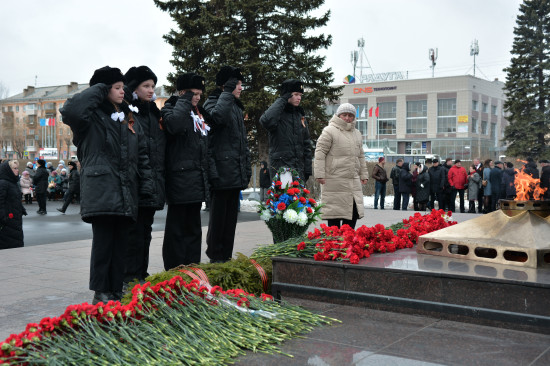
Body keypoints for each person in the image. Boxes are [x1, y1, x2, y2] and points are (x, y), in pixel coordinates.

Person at [60, 66, 153, 305]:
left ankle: (115, 288)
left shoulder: (127, 116)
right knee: (103, 244)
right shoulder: (89, 118)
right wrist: (100, 87)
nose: (124, 92)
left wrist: (145, 185)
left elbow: (141, 153)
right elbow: (70, 110)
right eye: (117, 87)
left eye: (123, 87)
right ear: (103, 90)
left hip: (125, 189)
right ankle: (100, 290)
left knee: (121, 243)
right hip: (101, 188)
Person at [117, 66, 167, 285]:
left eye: (153, 86)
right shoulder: (127, 111)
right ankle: (129, 276)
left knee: (145, 233)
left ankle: (141, 273)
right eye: (145, 85)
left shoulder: (154, 113)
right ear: (133, 88)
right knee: (132, 234)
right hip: (134, 183)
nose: (150, 90)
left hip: (151, 182)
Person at [161, 72, 209, 270]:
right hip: (179, 179)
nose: (197, 97)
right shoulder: (170, 109)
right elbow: (175, 126)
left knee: (193, 229)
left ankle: (192, 266)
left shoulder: (199, 113)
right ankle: (174, 268)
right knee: (176, 229)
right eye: (193, 93)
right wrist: (183, 101)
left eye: (199, 93)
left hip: (196, 179)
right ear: (182, 92)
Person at [204, 66, 251, 263]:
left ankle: (226, 256)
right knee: (218, 219)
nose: (241, 88)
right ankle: (215, 257)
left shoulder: (235, 107)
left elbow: (240, 143)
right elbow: (216, 119)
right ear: (227, 85)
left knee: (230, 220)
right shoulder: (213, 102)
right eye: (238, 84)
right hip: (220, 172)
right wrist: (226, 94)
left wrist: (245, 168)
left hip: (233, 171)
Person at [314, 103, 368, 229]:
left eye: (350, 115)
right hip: (334, 179)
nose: (347, 118)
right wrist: (319, 174)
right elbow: (320, 152)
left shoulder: (357, 133)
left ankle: (347, 243)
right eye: (344, 115)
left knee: (353, 213)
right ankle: (333, 245)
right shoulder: (329, 131)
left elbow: (360, 156)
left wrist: (364, 174)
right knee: (335, 215)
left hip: (352, 180)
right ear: (338, 115)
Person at [260, 79, 312, 181]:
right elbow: (265, 121)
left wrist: (307, 169)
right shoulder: (277, 113)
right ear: (287, 95)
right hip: (281, 169)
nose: (299, 98)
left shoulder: (300, 115)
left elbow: (306, 144)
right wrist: (282, 99)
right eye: (296, 94)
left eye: (301, 95)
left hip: (299, 169)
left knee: (299, 197)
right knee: (283, 197)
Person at [0, 160, 27, 249]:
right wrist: (3, 217)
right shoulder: (3, 183)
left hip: (15, 218)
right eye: (14, 168)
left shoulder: (12, 182)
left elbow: (15, 198)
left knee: (15, 242)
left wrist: (21, 209)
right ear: (8, 170)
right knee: (9, 244)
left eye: (17, 168)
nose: (17, 170)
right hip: (8, 219)